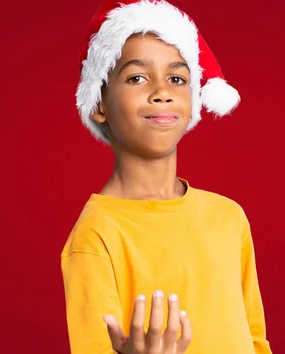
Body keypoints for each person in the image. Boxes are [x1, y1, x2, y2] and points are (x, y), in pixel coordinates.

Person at [60, 1, 273, 353]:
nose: (162, 92)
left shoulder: (228, 217)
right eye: (137, 78)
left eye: (177, 78)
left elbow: (256, 341)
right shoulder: (95, 236)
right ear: (99, 101)